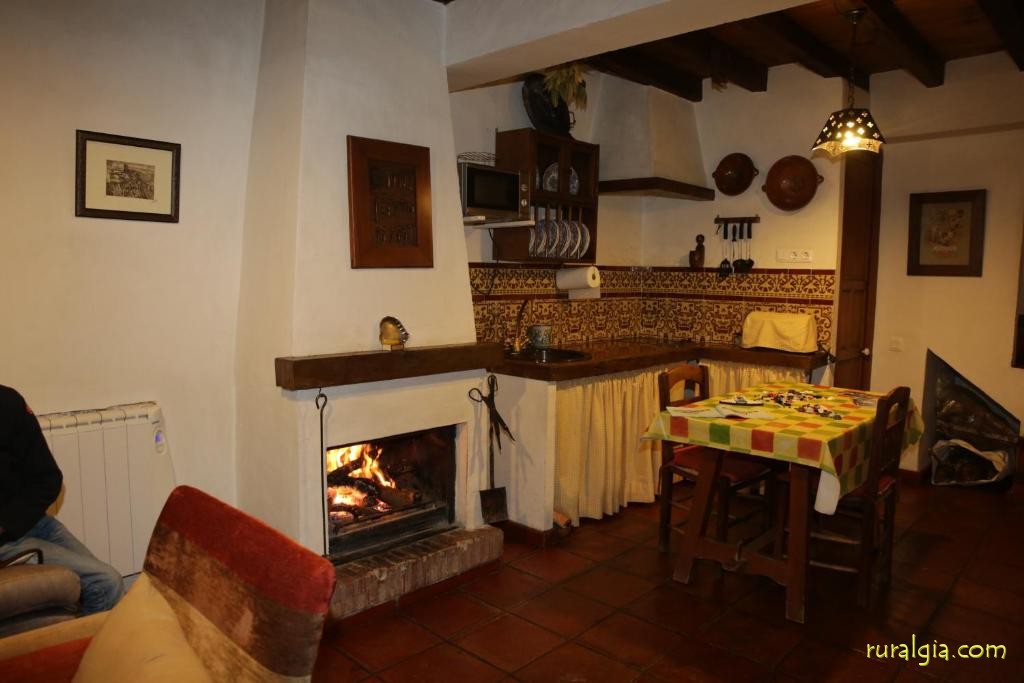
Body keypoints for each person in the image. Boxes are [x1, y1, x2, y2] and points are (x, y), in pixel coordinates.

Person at [0, 384, 124, 615]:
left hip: (34, 523)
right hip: (5, 545)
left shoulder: (8, 402)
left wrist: (8, 522)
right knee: (105, 582)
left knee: (109, 584)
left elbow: (48, 478)